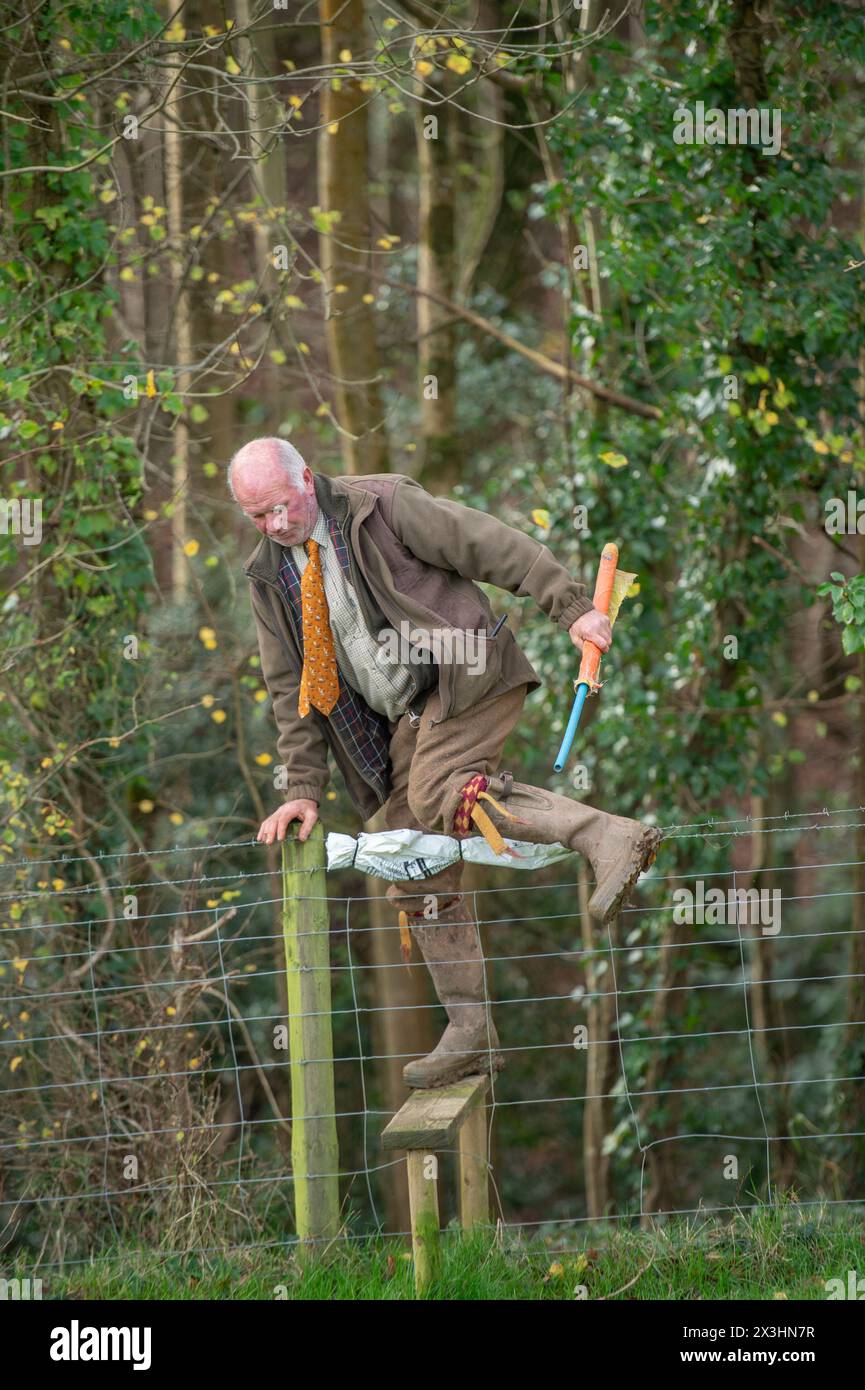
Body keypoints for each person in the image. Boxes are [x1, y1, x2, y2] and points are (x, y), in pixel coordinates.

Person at [230, 436, 661, 1089]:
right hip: (400, 718)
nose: (275, 525)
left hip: (467, 672)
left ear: (307, 481)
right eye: (258, 516)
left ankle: (607, 835)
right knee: (405, 850)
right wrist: (302, 788)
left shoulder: (385, 507)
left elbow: (488, 543)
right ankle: (470, 1032)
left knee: (440, 793)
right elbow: (290, 689)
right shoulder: (269, 576)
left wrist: (569, 608)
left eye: (281, 507)